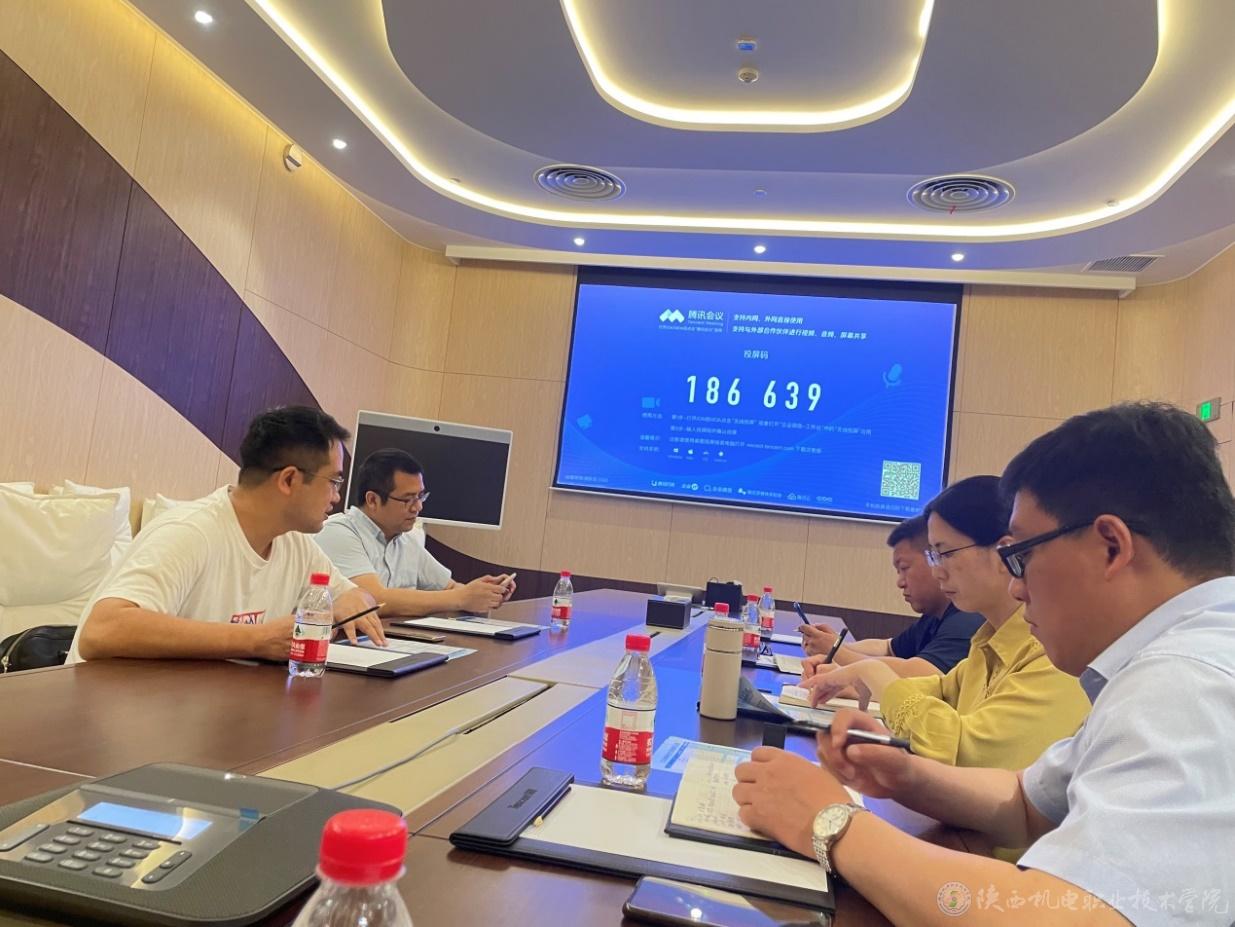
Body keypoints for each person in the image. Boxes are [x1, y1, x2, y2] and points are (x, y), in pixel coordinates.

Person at [733, 402, 1235, 925]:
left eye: (1021, 556)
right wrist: (905, 775)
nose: (1017, 587)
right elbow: (1027, 803)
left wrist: (831, 824)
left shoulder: (1188, 683)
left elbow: (1068, 918)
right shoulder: (1170, 660)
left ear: (1111, 547)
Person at [799, 476, 1090, 770]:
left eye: (945, 554)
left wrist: (871, 671)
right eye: (932, 556)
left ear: (1003, 553)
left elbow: (969, 753)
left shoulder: (1055, 653)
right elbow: (941, 690)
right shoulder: (989, 640)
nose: (937, 571)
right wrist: (858, 679)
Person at [70, 406, 384, 662]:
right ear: (289, 480)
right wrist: (255, 640)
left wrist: (349, 602)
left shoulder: (295, 544)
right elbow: (102, 630)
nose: (336, 497)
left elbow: (355, 595)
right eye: (334, 482)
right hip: (114, 709)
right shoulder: (190, 532)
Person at [314, 449, 515, 617]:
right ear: (373, 500)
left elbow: (450, 589)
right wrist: (462, 598)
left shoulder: (406, 540)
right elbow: (373, 599)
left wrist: (485, 593)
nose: (418, 507)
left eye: (421, 496)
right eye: (407, 499)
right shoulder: (338, 532)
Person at [799, 514, 983, 679]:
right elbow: (889, 648)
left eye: (904, 568)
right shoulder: (935, 615)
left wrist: (836, 651)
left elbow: (917, 676)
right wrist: (833, 643)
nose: (900, 582)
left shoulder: (968, 618)